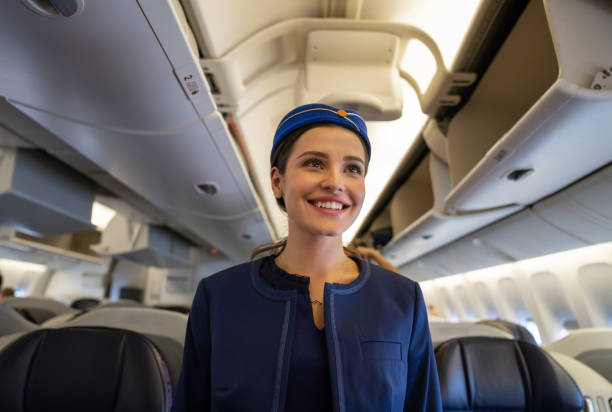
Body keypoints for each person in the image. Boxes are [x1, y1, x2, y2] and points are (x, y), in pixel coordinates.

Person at [172, 103, 442, 411]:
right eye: (314, 163)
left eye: (353, 168)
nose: (335, 182)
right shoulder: (219, 296)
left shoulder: (403, 299)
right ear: (277, 181)